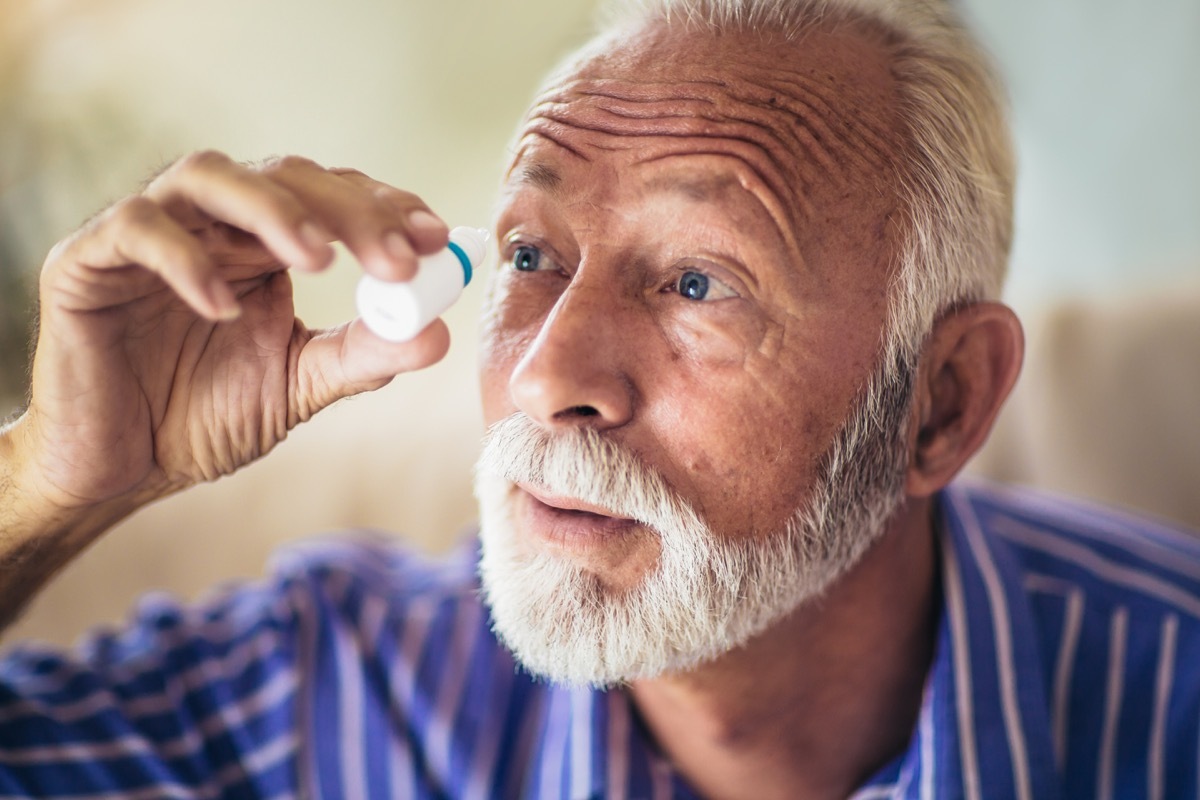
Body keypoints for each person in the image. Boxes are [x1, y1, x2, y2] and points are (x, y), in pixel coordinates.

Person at [0, 0, 1197, 797]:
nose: (544, 374)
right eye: (531, 255)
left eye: (695, 281)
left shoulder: (1170, 705)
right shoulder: (337, 691)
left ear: (942, 402)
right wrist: (52, 476)